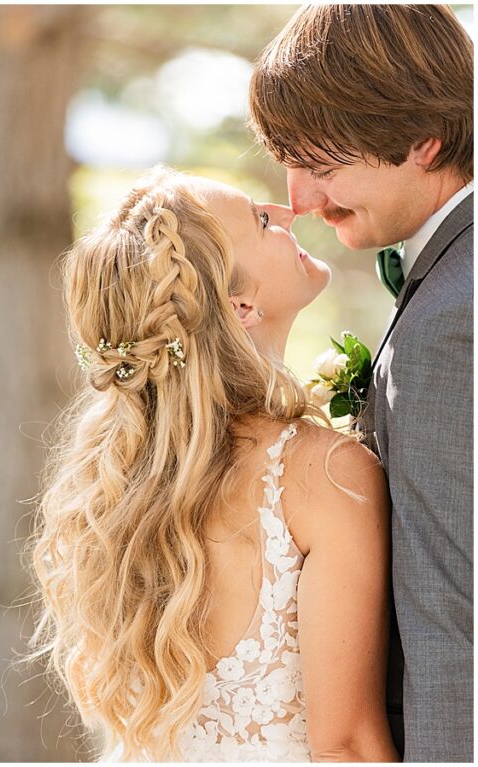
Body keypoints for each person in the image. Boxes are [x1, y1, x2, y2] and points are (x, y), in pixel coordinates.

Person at [31, 166, 399, 762]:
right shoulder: (324, 475)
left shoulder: (123, 484)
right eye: (260, 220)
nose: (285, 214)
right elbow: (348, 746)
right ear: (242, 305)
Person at [249, 5, 473, 761]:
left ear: (423, 139)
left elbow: (454, 618)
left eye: (324, 163)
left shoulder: (454, 317)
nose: (302, 200)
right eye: (289, 162)